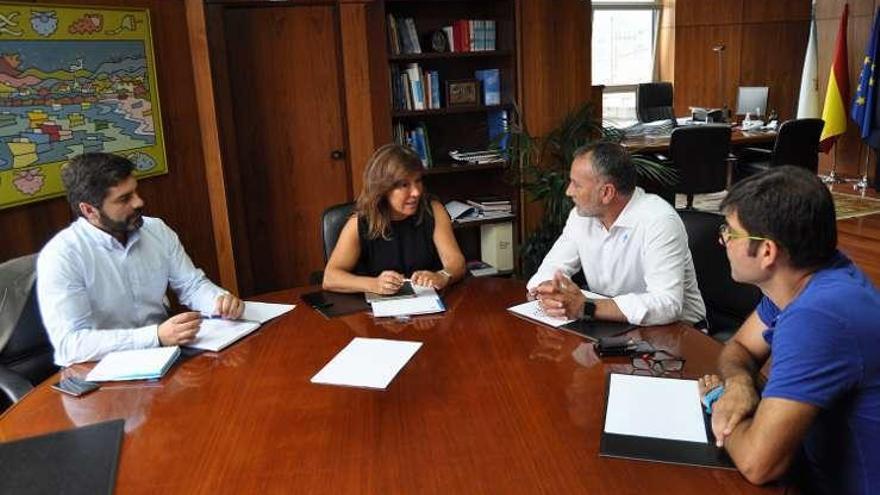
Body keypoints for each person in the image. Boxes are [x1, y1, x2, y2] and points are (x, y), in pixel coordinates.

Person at [698, 166, 879, 493]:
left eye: (730, 232)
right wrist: (740, 384)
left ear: (767, 251)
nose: (721, 240)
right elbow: (741, 348)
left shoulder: (819, 317)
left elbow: (759, 463)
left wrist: (718, 397)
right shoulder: (805, 274)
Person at [37, 153, 244, 366]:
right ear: (89, 210)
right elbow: (70, 345)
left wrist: (219, 301)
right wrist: (154, 336)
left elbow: (191, 285)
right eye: (124, 199)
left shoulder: (156, 230)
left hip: (167, 356)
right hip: (103, 369)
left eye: (135, 191)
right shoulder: (62, 256)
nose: (139, 202)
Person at [527, 142, 705, 326]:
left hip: (680, 332)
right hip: (611, 322)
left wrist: (586, 306)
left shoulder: (658, 221)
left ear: (607, 192)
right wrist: (548, 291)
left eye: (576, 185)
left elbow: (667, 305)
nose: (568, 191)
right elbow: (554, 266)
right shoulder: (581, 216)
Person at [323, 144, 465, 294]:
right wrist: (374, 284)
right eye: (404, 185)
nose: (416, 192)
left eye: (418, 181)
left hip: (428, 303)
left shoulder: (433, 210)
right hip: (373, 309)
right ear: (383, 189)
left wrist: (442, 276)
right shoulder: (360, 222)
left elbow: (456, 263)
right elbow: (330, 278)